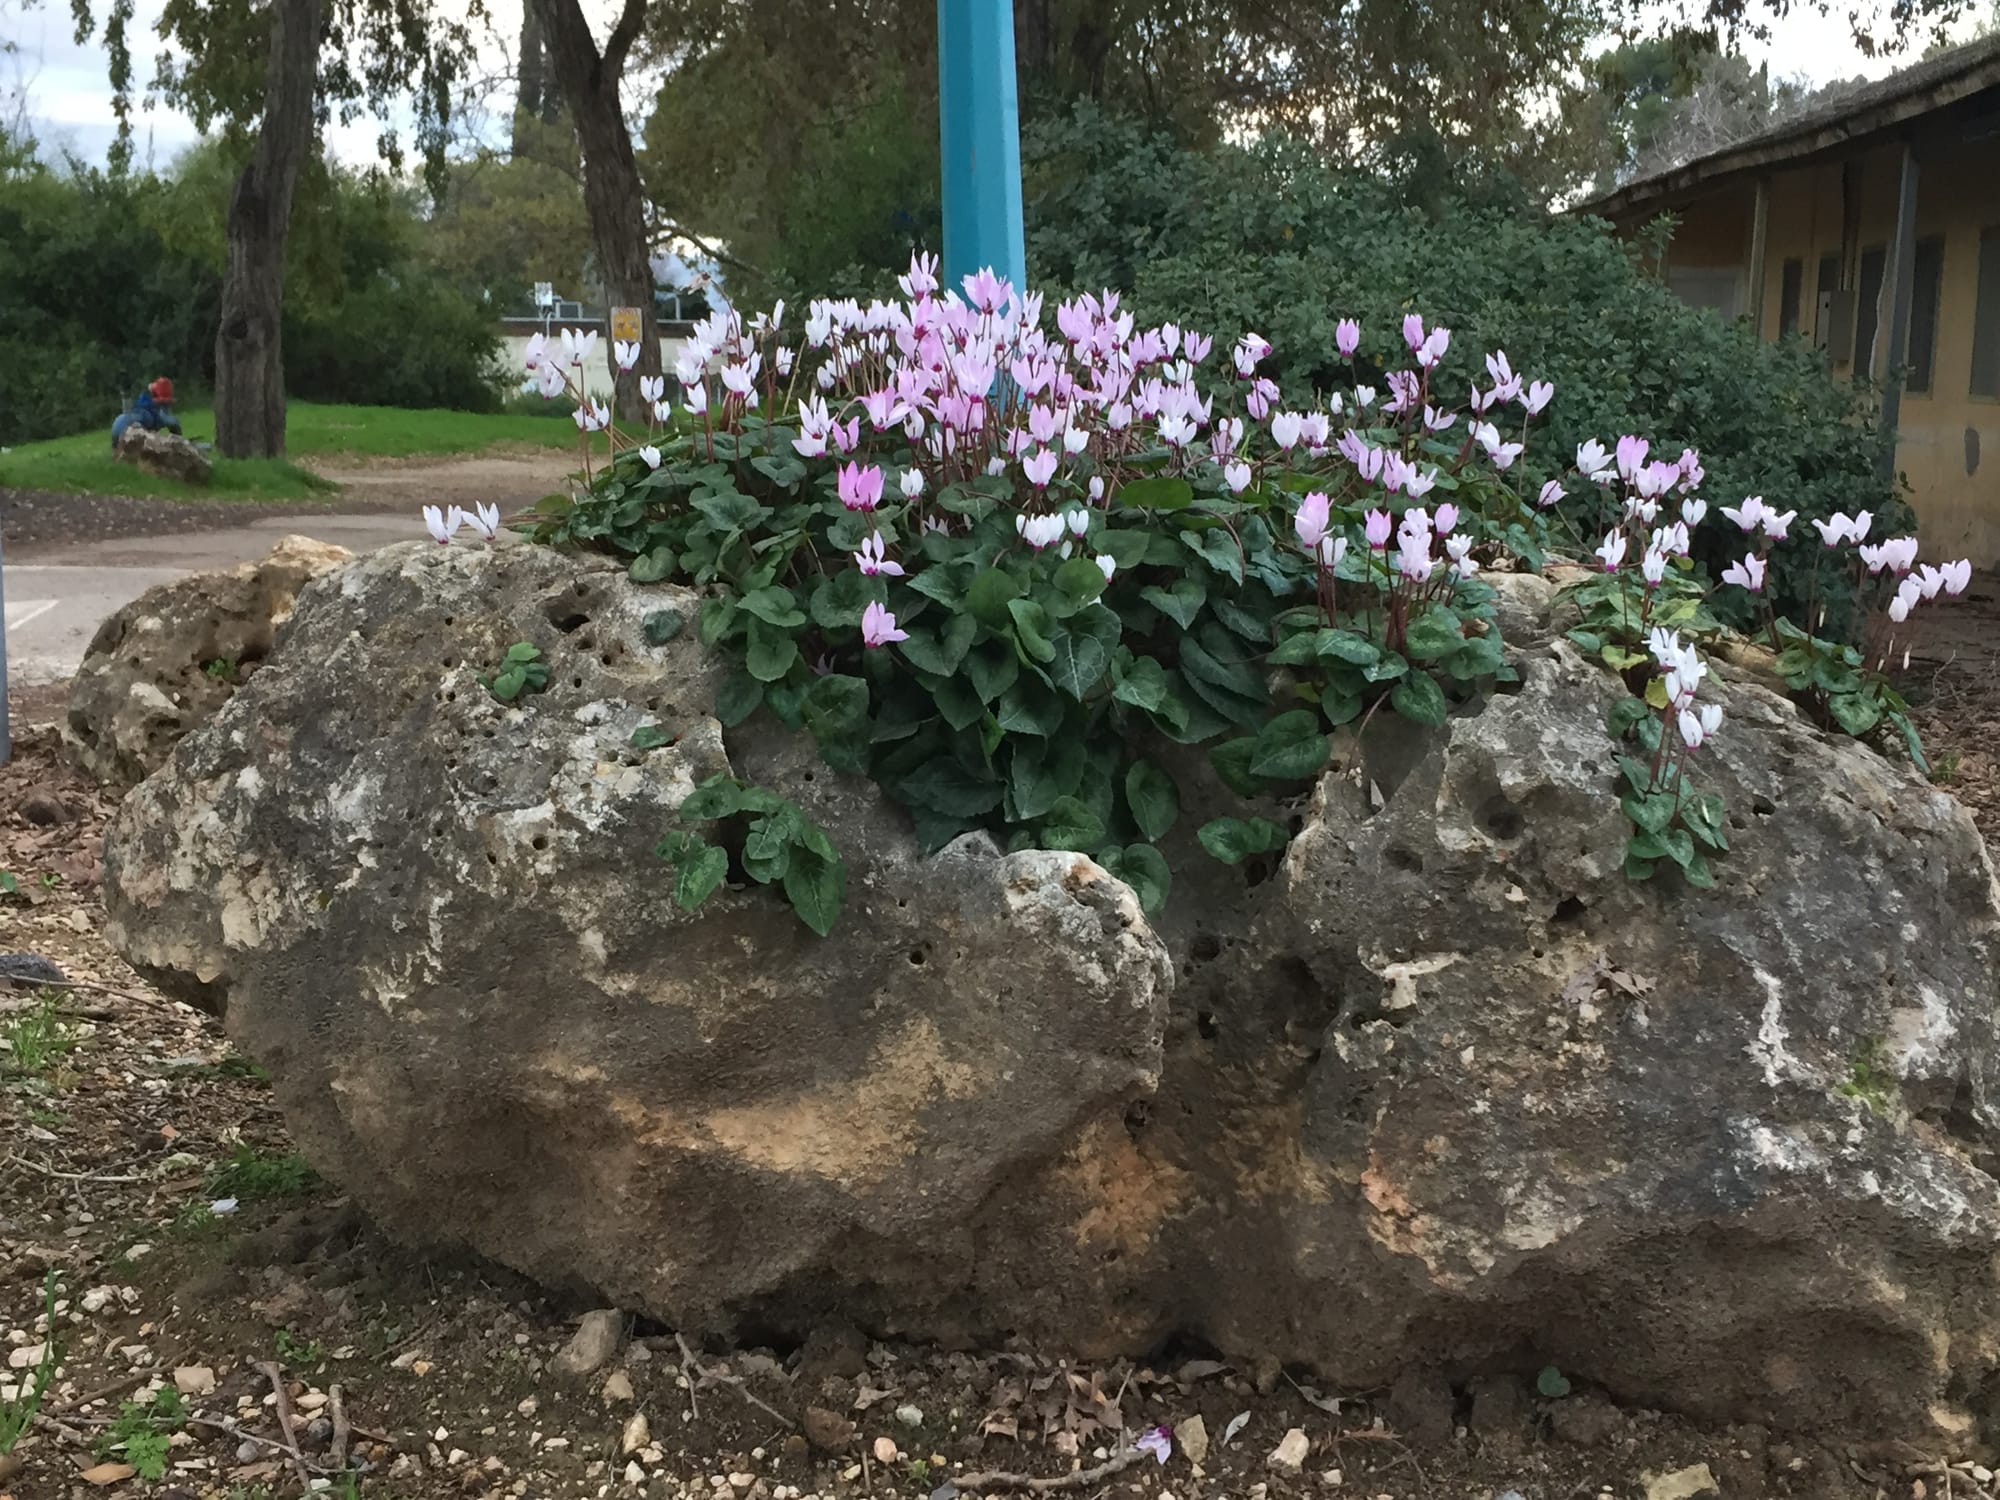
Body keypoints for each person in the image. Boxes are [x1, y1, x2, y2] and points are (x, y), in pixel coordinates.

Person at [111, 377, 183, 447]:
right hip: (126, 434)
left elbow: (128, 415)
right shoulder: (150, 414)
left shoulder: (143, 403)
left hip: (118, 429)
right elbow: (170, 422)